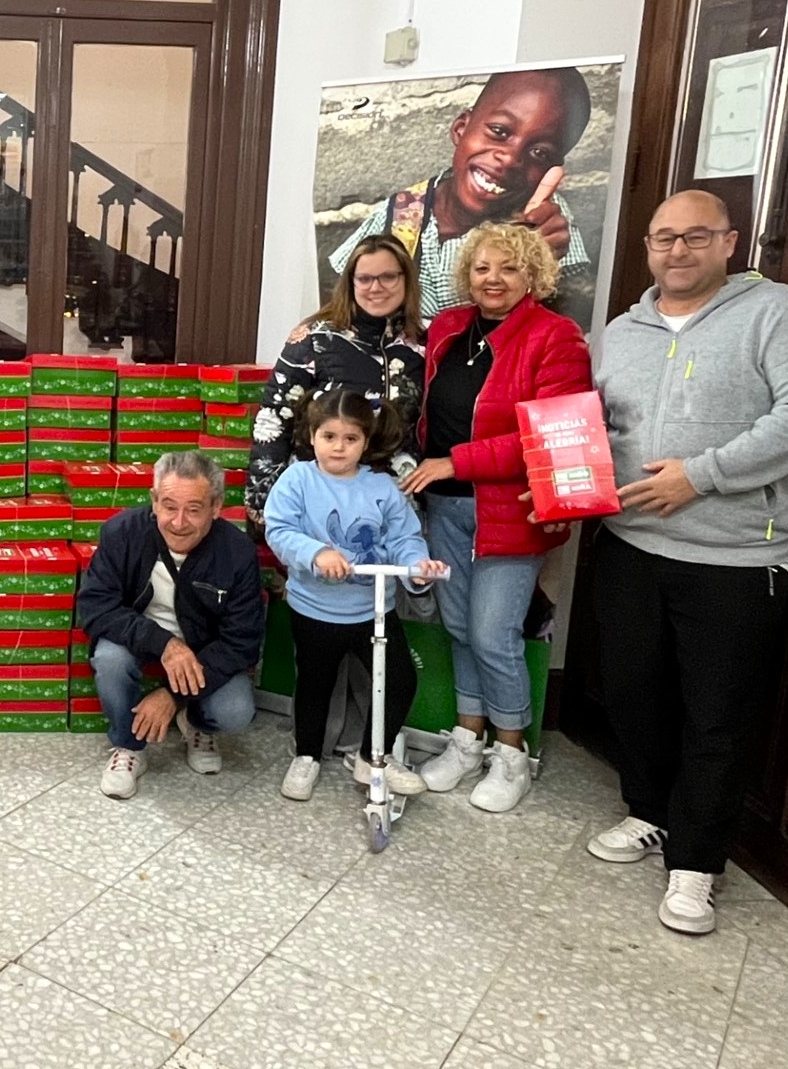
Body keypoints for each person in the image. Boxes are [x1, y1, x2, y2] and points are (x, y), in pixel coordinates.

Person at [587, 190, 788, 935]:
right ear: (647, 245)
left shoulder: (781, 315)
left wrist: (699, 474)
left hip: (736, 555)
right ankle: (648, 813)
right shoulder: (621, 332)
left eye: (695, 237)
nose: (677, 251)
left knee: (717, 714)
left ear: (729, 242)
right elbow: (596, 424)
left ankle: (695, 863)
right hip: (630, 546)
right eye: (663, 238)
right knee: (633, 693)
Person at [401, 220, 590, 811]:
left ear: (532, 273)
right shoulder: (450, 328)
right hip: (444, 508)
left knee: (493, 634)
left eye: (508, 268)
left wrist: (453, 462)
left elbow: (550, 434)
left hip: (510, 510)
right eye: (482, 267)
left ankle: (512, 756)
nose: (494, 279)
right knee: (458, 628)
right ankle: (466, 739)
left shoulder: (556, 337)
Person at [265, 390, 447, 801]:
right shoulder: (298, 480)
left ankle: (371, 757)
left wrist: (418, 567)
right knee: (315, 685)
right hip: (314, 609)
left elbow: (405, 538)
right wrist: (316, 553)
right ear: (312, 436)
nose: (339, 447)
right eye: (329, 436)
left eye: (350, 439)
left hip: (373, 610)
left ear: (366, 441)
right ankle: (307, 755)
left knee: (399, 680)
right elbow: (279, 530)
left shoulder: (382, 487)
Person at [329, 67, 593, 320]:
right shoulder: (401, 211)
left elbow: (565, 313)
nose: (510, 159)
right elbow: (343, 295)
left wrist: (542, 264)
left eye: (540, 153)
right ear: (461, 128)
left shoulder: (537, 218)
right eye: (499, 132)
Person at [77, 450, 264, 800]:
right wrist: (164, 643)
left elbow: (243, 641)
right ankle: (128, 746)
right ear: (154, 501)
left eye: (194, 509)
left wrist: (172, 696)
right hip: (140, 638)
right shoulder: (122, 533)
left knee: (235, 711)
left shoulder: (237, 552)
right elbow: (95, 607)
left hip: (205, 652)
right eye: (168, 507)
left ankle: (194, 721)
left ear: (216, 506)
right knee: (109, 658)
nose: (178, 522)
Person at [247, 233, 426, 522]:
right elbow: (274, 420)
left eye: (388, 277)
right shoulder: (315, 339)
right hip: (320, 503)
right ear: (350, 283)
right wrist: (263, 507)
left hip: (396, 507)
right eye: (365, 278)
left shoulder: (423, 345)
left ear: (406, 278)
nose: (376, 287)